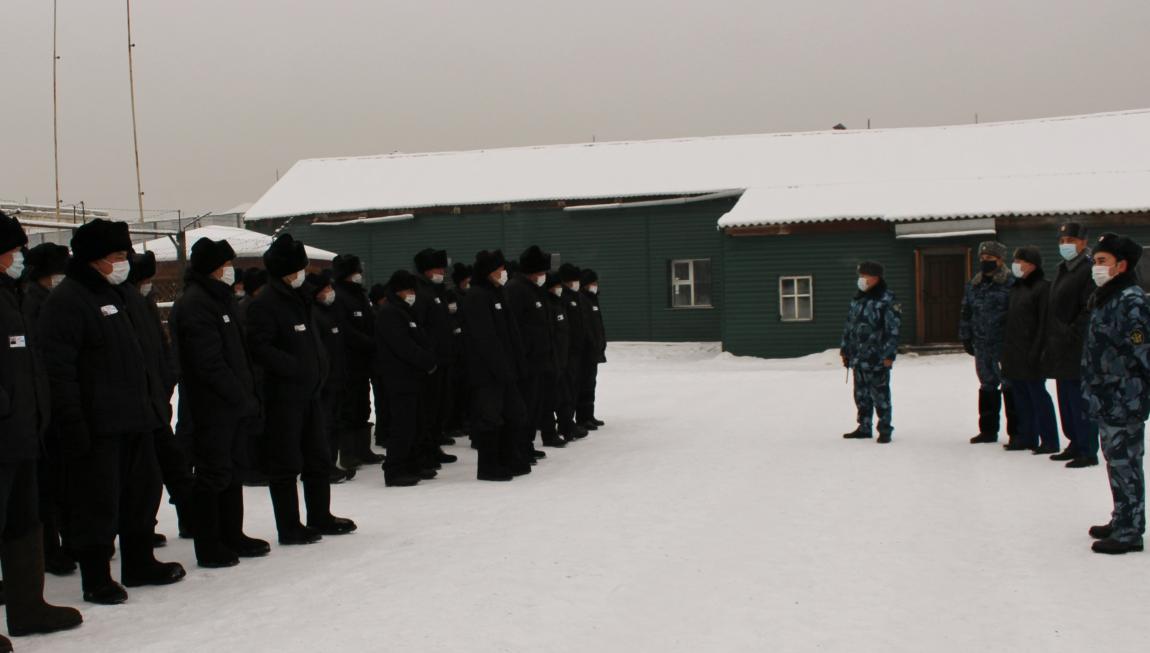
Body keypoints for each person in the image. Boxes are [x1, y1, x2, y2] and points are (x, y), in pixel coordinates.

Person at [39, 219, 185, 604]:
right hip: (98, 424)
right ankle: (96, 577)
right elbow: (59, 370)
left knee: (142, 495)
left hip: (141, 418)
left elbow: (150, 352)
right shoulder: (68, 301)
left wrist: (157, 399)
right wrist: (72, 423)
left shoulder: (127, 296)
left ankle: (139, 563)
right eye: (117, 256)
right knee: (96, 502)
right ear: (93, 259)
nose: (124, 263)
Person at [0, 211, 83, 649]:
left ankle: (27, 607)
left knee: (23, 525)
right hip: (5, 434)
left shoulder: (9, 296)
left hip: (22, 436)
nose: (19, 258)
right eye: (12, 251)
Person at [246, 234, 355, 545]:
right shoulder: (265, 304)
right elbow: (259, 347)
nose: (304, 273)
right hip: (283, 397)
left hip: (310, 394)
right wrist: (295, 368)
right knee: (285, 463)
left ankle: (320, 515)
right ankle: (289, 526)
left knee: (318, 458)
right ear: (286, 270)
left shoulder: (301, 299)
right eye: (300, 268)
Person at [169, 238, 270, 568]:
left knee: (232, 470)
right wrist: (238, 395)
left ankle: (233, 534)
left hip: (232, 404)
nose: (230, 270)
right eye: (225, 265)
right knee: (213, 474)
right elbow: (208, 362)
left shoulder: (220, 299)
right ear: (212, 268)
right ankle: (209, 544)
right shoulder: (196, 304)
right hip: (210, 406)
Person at [1082, 233, 1149, 555]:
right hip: (1108, 397)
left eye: (1102, 261)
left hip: (1125, 398)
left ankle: (1130, 531)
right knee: (1115, 461)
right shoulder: (1108, 296)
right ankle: (1122, 517)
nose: (1096, 267)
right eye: (1095, 261)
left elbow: (1144, 350)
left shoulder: (1131, 300)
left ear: (1121, 265)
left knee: (1126, 463)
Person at [123, 251, 193, 547]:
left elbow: (161, 349)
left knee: (171, 467)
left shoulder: (146, 305)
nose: (148, 285)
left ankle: (189, 519)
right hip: (138, 407)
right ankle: (139, 528)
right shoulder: (126, 304)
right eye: (145, 280)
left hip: (157, 402)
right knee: (143, 475)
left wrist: (167, 378)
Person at [21, 243, 73, 576]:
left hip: (46, 403)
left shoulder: (40, 301)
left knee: (56, 484)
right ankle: (49, 551)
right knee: (44, 488)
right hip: (39, 408)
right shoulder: (32, 304)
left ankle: (57, 547)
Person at [462, 250, 530, 481]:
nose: (503, 273)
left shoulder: (498, 293)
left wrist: (517, 364)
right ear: (488, 272)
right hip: (487, 372)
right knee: (490, 417)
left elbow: (511, 333)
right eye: (499, 270)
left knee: (515, 413)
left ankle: (508, 458)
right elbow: (485, 338)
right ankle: (489, 466)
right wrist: (502, 369)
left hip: (506, 369)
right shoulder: (477, 296)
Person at [1041, 222, 1099, 468]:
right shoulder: (1063, 270)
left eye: (1071, 241)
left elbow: (1089, 309)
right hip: (1060, 346)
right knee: (1066, 398)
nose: (1066, 245)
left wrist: (1071, 332)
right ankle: (1074, 442)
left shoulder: (1088, 270)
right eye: (1062, 241)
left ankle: (1087, 448)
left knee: (1080, 400)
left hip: (1077, 346)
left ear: (1084, 243)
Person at [374, 271, 437, 487]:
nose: (412, 294)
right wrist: (426, 360)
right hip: (399, 378)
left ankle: (411, 463)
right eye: (409, 290)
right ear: (398, 290)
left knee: (414, 423)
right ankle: (394, 469)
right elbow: (403, 345)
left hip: (413, 377)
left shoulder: (404, 311)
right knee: (402, 425)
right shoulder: (390, 313)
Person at [1001, 247, 1059, 454]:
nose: (1016, 264)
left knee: (1038, 396)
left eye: (1020, 261)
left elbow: (1045, 323)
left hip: (1033, 352)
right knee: (1021, 398)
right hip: (1014, 352)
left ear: (1032, 265)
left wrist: (1038, 350)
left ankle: (1050, 439)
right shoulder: (1016, 288)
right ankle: (1027, 437)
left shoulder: (1042, 288)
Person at [961, 241, 1018, 445]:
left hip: (1004, 345)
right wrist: (966, 336)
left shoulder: (1012, 283)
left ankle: (1016, 432)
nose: (985, 262)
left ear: (1000, 260)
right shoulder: (974, 284)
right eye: (982, 259)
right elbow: (966, 312)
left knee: (1010, 386)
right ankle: (987, 430)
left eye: (990, 259)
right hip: (982, 344)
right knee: (987, 386)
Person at [329, 255, 380, 470]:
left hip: (364, 360)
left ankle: (363, 449)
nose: (359, 274)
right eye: (355, 271)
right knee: (348, 407)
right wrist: (370, 342)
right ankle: (348, 454)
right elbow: (346, 330)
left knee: (363, 404)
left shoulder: (359, 294)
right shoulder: (340, 297)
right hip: (349, 360)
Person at [840, 261, 901, 443]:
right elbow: (849, 326)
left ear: (875, 278)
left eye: (864, 276)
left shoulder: (887, 299)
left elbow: (893, 330)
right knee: (861, 395)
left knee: (880, 394)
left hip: (877, 357)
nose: (861, 279)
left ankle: (884, 429)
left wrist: (889, 355)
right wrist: (845, 349)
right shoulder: (858, 299)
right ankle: (864, 427)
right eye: (860, 275)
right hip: (858, 357)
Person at [504, 246, 553, 462]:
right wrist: (525, 354)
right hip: (526, 361)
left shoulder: (533, 289)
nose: (544, 276)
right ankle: (519, 447)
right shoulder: (517, 289)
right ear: (532, 271)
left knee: (534, 406)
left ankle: (527, 444)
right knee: (524, 406)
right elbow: (516, 327)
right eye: (542, 272)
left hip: (538, 359)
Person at [306, 271, 354, 483]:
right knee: (324, 426)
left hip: (338, 377)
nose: (330, 292)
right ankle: (323, 466)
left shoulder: (331, 311)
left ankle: (332, 463)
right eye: (325, 289)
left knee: (334, 423)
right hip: (324, 382)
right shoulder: (314, 314)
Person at [412, 249, 458, 467]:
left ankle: (434, 445)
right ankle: (425, 450)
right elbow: (421, 327)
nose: (442, 272)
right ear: (427, 270)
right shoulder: (422, 292)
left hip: (443, 358)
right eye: (438, 268)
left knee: (441, 407)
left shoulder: (436, 290)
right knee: (428, 409)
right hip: (431, 361)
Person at [558, 263, 590, 441]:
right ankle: (566, 424)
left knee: (575, 387)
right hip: (567, 352)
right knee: (567, 389)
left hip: (577, 351)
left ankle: (570, 421)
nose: (577, 283)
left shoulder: (576, 297)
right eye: (574, 280)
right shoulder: (564, 297)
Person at [539, 273, 570, 448]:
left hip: (562, 359)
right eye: (556, 285)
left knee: (563, 396)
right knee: (549, 399)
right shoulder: (548, 305)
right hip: (551, 359)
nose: (560, 289)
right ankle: (549, 433)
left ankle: (566, 426)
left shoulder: (559, 303)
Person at [578, 268, 607, 431]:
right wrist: (591, 344)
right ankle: (582, 418)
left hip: (595, 350)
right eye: (592, 283)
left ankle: (589, 415)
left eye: (596, 283)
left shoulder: (593, 299)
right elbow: (586, 327)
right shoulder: (583, 299)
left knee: (591, 383)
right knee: (584, 384)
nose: (595, 286)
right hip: (586, 351)